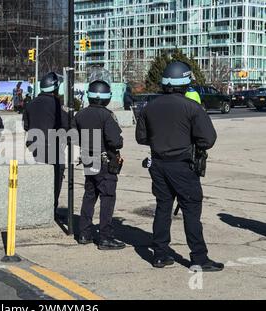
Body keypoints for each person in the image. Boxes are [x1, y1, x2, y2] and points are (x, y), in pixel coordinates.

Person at [135, 61, 224, 272]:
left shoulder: (149, 107)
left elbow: (141, 137)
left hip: (157, 165)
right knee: (191, 211)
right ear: (185, 82)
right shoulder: (192, 107)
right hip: (182, 166)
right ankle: (199, 258)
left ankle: (160, 255)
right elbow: (208, 139)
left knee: (163, 208)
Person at [73, 80, 126, 250]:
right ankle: (105, 237)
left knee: (90, 195)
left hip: (89, 158)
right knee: (107, 198)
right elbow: (115, 141)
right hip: (105, 161)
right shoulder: (107, 115)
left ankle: (84, 233)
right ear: (106, 97)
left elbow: (72, 136)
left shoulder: (80, 114)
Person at [23, 72, 68, 214]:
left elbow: (26, 125)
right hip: (52, 146)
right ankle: (50, 210)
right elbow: (66, 124)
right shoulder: (55, 103)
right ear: (55, 87)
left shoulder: (31, 103)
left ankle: (39, 208)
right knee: (55, 178)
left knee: (41, 177)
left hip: (36, 146)